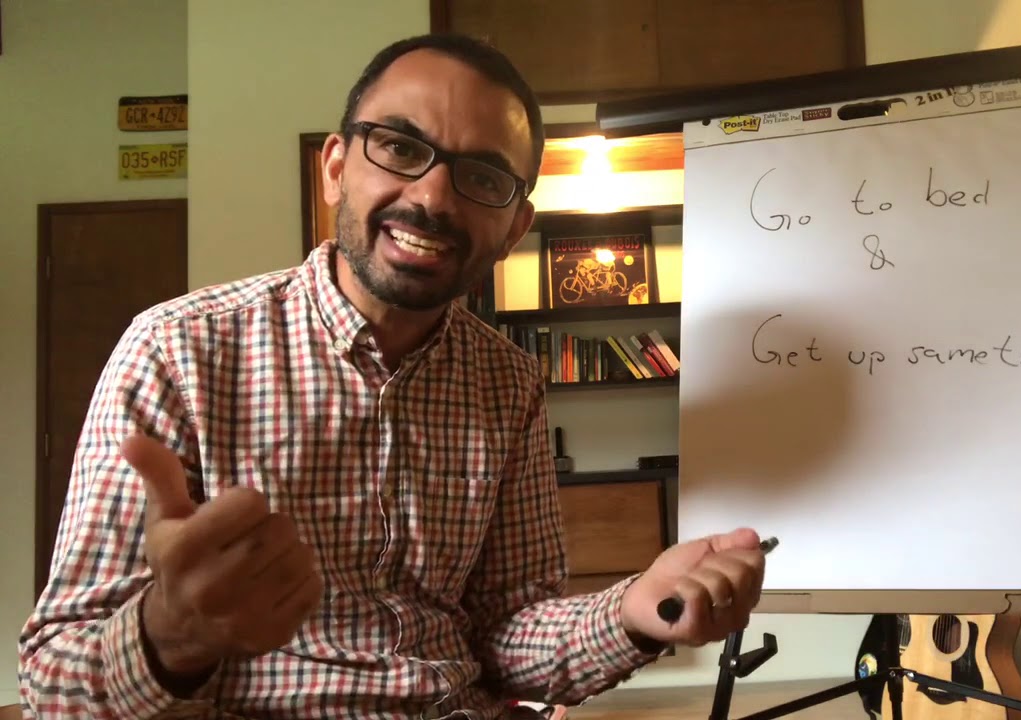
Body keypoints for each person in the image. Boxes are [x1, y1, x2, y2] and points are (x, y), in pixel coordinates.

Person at [17, 33, 768, 720]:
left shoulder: (508, 380)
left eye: (482, 176)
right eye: (401, 148)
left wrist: (635, 610)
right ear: (336, 168)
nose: (433, 198)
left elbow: (506, 633)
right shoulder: (178, 348)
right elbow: (53, 683)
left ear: (514, 226)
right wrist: (170, 635)